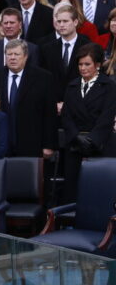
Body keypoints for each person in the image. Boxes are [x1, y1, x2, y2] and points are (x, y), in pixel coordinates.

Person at [62, 43, 116, 202]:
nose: (83, 68)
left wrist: (91, 140)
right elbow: (66, 116)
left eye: (87, 64)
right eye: (80, 64)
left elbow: (107, 116)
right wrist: (76, 137)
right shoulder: (72, 86)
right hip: (75, 145)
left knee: (99, 188)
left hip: (100, 145)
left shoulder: (109, 86)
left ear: (97, 65)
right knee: (73, 188)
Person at [0, 39, 58, 157]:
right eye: (9, 54)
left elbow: (49, 114)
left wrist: (49, 145)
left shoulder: (43, 78)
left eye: (16, 54)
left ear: (25, 56)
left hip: (32, 142)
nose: (12, 57)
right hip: (2, 144)